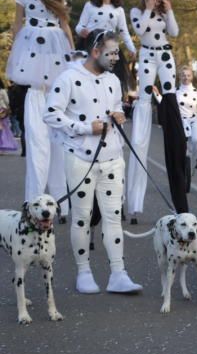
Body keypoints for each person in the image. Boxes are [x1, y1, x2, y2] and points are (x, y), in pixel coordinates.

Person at [43, 30, 142, 294]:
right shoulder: (68, 79)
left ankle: (118, 274)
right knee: (82, 217)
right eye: (110, 53)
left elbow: (117, 105)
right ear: (95, 51)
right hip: (80, 159)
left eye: (117, 53)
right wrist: (85, 127)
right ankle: (83, 272)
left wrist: (120, 114)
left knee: (113, 217)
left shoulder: (112, 79)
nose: (115, 58)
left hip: (112, 158)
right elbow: (50, 114)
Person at [6, 0, 73, 201]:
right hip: (32, 40)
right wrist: (14, 48)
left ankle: (60, 196)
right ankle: (35, 195)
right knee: (37, 87)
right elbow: (18, 23)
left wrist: (72, 50)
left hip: (55, 41)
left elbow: (65, 24)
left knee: (55, 83)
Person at [128, 0, 188, 221]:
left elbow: (174, 32)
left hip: (165, 54)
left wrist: (169, 10)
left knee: (169, 94)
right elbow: (140, 30)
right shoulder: (136, 12)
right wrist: (147, 8)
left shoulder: (164, 13)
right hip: (146, 55)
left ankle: (170, 123)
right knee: (144, 98)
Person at [75, 0, 135, 94]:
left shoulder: (118, 9)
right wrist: (81, 30)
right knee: (87, 78)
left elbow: (123, 31)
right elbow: (79, 25)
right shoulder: (89, 6)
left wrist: (132, 48)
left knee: (108, 80)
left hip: (109, 48)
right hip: (90, 46)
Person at [0, 78, 18, 154]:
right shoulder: (3, 91)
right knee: (4, 129)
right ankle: (3, 146)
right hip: (2, 111)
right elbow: (7, 101)